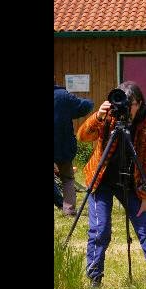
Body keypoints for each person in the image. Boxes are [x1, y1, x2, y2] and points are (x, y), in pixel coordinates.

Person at [76, 81, 146, 288]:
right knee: (100, 230)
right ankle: (94, 278)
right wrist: (97, 116)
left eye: (132, 104)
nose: (127, 108)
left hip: (131, 183)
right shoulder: (109, 117)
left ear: (140, 103)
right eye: (124, 103)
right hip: (100, 180)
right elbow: (82, 136)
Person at [54, 77, 94, 216]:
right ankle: (69, 210)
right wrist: (90, 102)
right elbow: (84, 106)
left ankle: (60, 203)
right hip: (63, 145)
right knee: (67, 178)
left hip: (62, 145)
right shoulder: (63, 96)